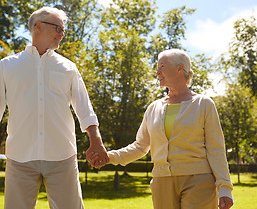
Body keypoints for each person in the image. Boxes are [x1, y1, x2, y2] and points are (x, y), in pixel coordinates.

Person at [0, 6, 109, 209]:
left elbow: (84, 109)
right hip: (20, 157)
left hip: (62, 155)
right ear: (37, 27)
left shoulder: (68, 68)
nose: (62, 34)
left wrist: (96, 141)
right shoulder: (8, 66)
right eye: (58, 28)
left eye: (63, 30)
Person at [99, 49, 234, 209]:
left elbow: (216, 148)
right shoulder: (153, 108)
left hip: (199, 180)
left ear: (179, 68)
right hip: (161, 180)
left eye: (162, 66)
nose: (157, 72)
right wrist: (110, 157)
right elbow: (140, 146)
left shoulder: (204, 104)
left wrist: (225, 188)